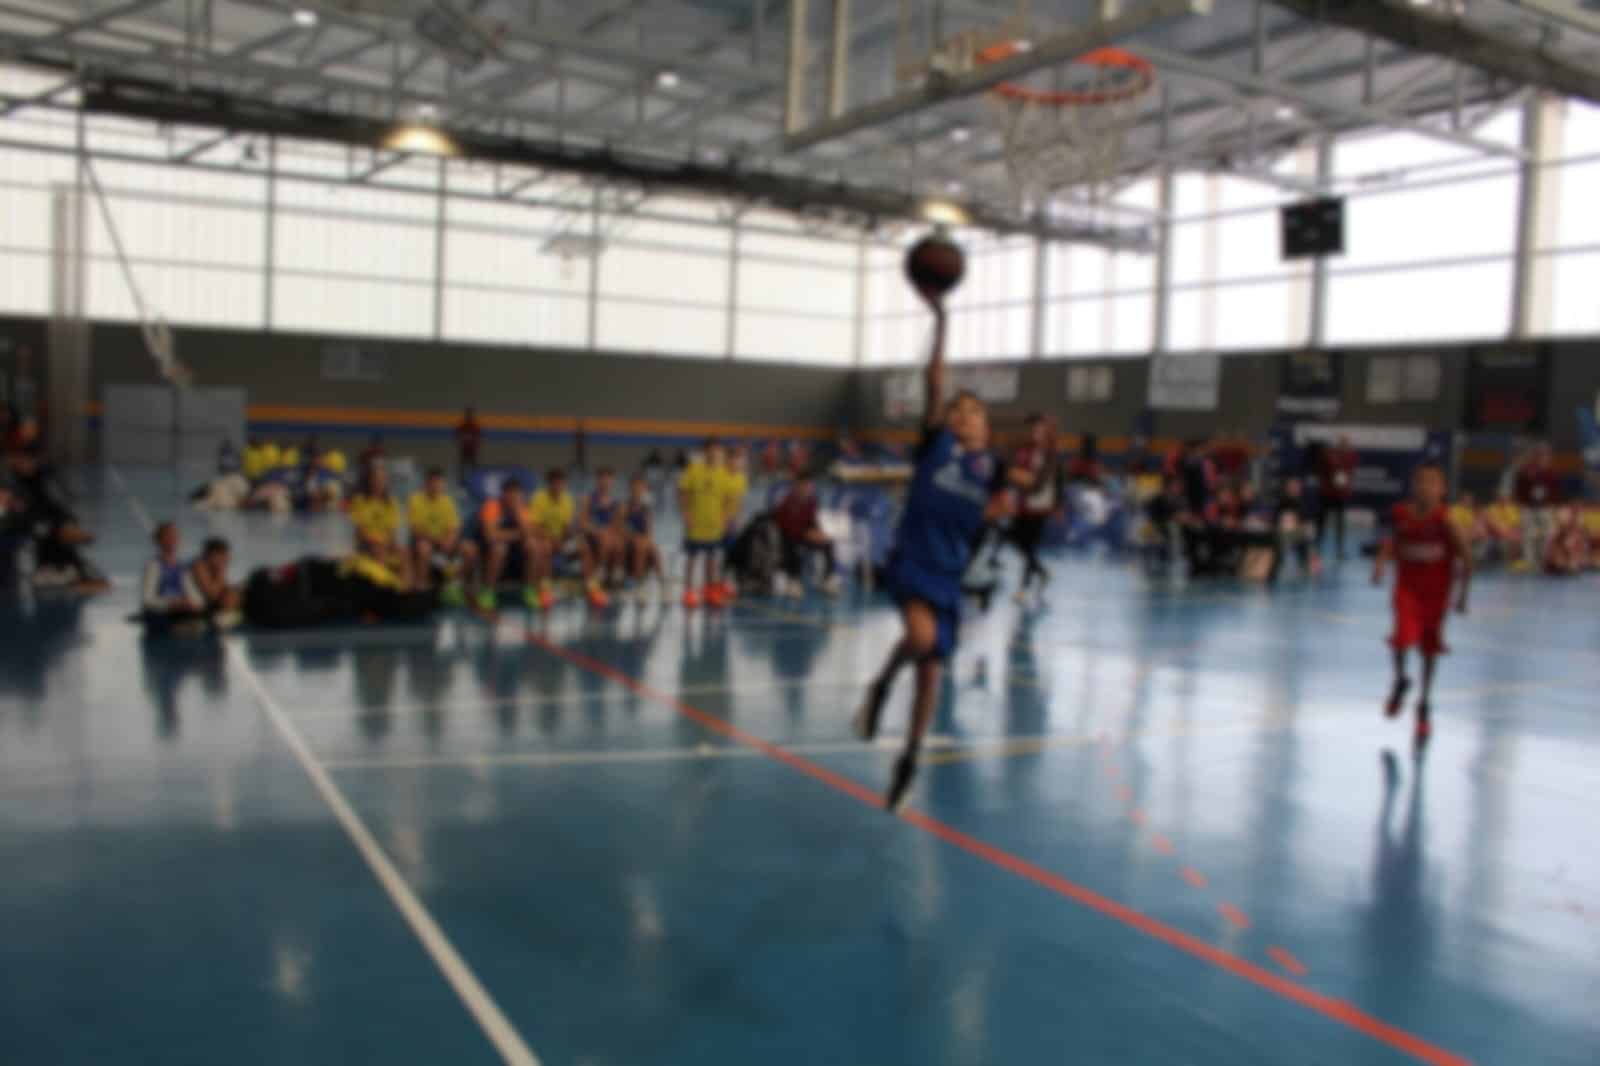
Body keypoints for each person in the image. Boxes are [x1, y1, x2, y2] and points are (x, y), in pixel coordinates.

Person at [851, 288, 1008, 812]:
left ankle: (909, 759)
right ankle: (878, 688)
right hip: (913, 562)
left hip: (950, 573)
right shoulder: (937, 446)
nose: (963, 416)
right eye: (957, 411)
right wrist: (941, 322)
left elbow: (1010, 502)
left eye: (974, 412)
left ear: (986, 426)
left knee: (930, 674)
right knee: (919, 638)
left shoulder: (991, 471)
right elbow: (934, 381)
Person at [1372, 464, 1470, 745]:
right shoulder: (1401, 514)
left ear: (1442, 490)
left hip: (1436, 594)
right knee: (1401, 638)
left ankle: (1424, 704)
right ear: (1413, 486)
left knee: (1429, 649)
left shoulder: (1446, 521)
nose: (1425, 487)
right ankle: (1400, 680)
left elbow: (1467, 559)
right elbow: (1391, 542)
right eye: (1420, 481)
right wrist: (1380, 564)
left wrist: (1463, 597)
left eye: (1432, 483)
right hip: (1407, 590)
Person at [1008, 413, 1063, 602]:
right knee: (1016, 540)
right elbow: (1013, 473)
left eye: (1039, 430)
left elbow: (1056, 479)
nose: (1034, 433)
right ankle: (1042, 572)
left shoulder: (1050, 452)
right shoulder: (1022, 450)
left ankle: (1023, 588)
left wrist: (1058, 504)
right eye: (1032, 429)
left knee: (1030, 546)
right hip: (1022, 504)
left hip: (1040, 506)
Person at [532, 468, 606, 608]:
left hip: (561, 540)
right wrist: (551, 538)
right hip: (544, 539)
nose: (559, 486)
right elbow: (535, 527)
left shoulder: (567, 499)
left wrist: (570, 536)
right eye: (555, 483)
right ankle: (545, 590)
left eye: (561, 483)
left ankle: (592, 587)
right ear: (549, 484)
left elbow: (566, 526)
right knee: (546, 547)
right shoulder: (539, 498)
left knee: (583, 546)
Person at [475, 478, 545, 612]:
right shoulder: (492, 506)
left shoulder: (522, 509)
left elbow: (530, 533)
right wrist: (518, 534)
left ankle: (529, 590)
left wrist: (518, 514)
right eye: (510, 493)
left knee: (534, 546)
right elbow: (491, 535)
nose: (513, 497)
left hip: (515, 551)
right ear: (503, 494)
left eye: (517, 494)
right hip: (490, 550)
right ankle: (488, 591)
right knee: (500, 548)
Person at [772, 474, 842, 598]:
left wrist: (819, 532)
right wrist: (806, 534)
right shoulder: (788, 502)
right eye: (805, 486)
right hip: (788, 538)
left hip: (805, 536)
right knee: (794, 547)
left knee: (828, 544)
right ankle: (794, 581)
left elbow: (813, 521)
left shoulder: (812, 501)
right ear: (797, 486)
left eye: (809, 486)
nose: (808, 489)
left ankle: (828, 580)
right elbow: (786, 527)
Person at [407, 467, 470, 604]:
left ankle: (456, 586)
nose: (436, 486)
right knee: (424, 548)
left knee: (469, 549)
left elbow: (454, 527)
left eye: (439, 483)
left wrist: (449, 541)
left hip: (445, 542)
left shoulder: (447, 501)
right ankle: (422, 587)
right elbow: (416, 530)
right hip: (425, 541)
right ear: (426, 484)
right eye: (433, 483)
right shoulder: (416, 500)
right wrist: (439, 541)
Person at [679, 439, 729, 608]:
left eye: (717, 450)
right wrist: (686, 514)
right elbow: (683, 493)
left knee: (711, 559)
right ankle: (688, 592)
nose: (713, 454)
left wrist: (724, 518)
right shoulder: (693, 470)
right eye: (710, 450)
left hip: (714, 524)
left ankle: (709, 591)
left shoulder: (723, 473)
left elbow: (726, 498)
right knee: (692, 558)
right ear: (705, 451)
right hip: (695, 523)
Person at [347, 463, 410, 589]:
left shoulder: (391, 502)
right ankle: (382, 588)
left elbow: (392, 532)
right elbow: (360, 532)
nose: (379, 482)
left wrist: (389, 542)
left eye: (382, 479)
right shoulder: (359, 501)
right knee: (378, 548)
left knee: (404, 552)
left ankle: (404, 588)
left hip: (385, 542)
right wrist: (378, 540)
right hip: (365, 543)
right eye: (376, 478)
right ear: (370, 480)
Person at [141, 522, 205, 633]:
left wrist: (191, 603)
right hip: (161, 616)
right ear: (159, 541)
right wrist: (171, 604)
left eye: (174, 536)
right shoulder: (154, 567)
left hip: (180, 614)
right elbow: (147, 600)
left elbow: (196, 598)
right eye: (168, 536)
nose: (172, 540)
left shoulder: (182, 568)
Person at [1513, 443, 1561, 570]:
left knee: (1547, 534)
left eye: (1545, 456)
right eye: (1540, 455)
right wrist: (1520, 504)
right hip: (1528, 507)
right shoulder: (1525, 471)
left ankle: (1544, 560)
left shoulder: (1552, 473)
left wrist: (1554, 507)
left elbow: (1555, 492)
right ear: (1535, 457)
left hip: (1545, 508)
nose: (1543, 458)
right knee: (1529, 534)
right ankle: (1530, 561)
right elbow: (1519, 489)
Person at [582, 467, 627, 590]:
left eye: (608, 479)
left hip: (609, 535)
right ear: (597, 480)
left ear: (612, 481)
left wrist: (610, 531)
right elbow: (583, 523)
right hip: (593, 535)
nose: (605, 482)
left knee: (618, 542)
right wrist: (596, 530)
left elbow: (618, 525)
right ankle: (600, 571)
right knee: (605, 538)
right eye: (602, 479)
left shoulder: (617, 503)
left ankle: (616, 574)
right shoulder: (588, 499)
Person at [716, 445, 750, 603]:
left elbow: (739, 501)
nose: (738, 462)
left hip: (733, 523)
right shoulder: (720, 476)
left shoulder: (741, 479)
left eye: (740, 460)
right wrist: (721, 520)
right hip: (717, 522)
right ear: (728, 460)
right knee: (716, 553)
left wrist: (739, 520)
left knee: (731, 553)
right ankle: (717, 584)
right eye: (735, 459)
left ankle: (727, 583)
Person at [622, 473, 664, 601]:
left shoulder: (646, 508)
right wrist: (634, 537)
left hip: (641, 541)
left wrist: (645, 539)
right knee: (640, 545)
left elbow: (649, 531)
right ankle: (637, 582)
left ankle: (662, 583)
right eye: (635, 487)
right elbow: (620, 529)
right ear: (631, 488)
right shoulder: (625, 506)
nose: (638, 490)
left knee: (653, 548)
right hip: (627, 540)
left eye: (640, 487)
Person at [1270, 477, 1319, 583]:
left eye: (1296, 487)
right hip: (1282, 532)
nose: (1294, 489)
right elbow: (1275, 520)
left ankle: (1307, 565)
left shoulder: (1303, 504)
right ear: (1287, 488)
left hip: (1298, 532)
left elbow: (1307, 521)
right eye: (1291, 487)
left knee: (1307, 539)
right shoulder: (1281, 503)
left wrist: (1299, 526)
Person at [1317, 434, 1358, 557]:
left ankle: (1339, 549)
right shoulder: (1329, 455)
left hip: (1340, 495)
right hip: (1327, 493)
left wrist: (1345, 486)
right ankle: (1317, 548)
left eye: (1346, 443)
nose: (1345, 445)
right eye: (1342, 442)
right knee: (1322, 521)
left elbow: (1349, 472)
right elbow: (1323, 469)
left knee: (1340, 523)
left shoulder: (1350, 456)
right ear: (1339, 444)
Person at [189, 536, 242, 628]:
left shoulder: (214, 569)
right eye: (224, 556)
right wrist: (221, 570)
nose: (226, 560)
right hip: (198, 608)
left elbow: (223, 588)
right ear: (213, 555)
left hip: (212, 607)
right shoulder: (199, 565)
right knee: (230, 595)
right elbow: (212, 594)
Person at [1544, 504, 1590, 575]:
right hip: (1555, 571)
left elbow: (1582, 557)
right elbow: (1553, 558)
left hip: (1571, 569)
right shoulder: (1554, 535)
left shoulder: (1578, 533)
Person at [1482, 488, 1522, 564]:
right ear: (1497, 497)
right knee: (1511, 538)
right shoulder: (1491, 509)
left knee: (1517, 536)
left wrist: (1511, 532)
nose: (1503, 499)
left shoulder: (1512, 508)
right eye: (1501, 497)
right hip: (1496, 535)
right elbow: (1493, 525)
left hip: (1510, 534)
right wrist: (1506, 532)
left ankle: (1513, 561)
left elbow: (1516, 524)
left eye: (1505, 496)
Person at [1448, 493, 1485, 562]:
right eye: (1468, 500)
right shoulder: (1455, 510)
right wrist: (1471, 532)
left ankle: (1474, 558)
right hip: (1459, 536)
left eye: (1470, 500)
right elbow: (1455, 526)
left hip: (1470, 536)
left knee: (1481, 530)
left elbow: (1474, 525)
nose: (1470, 502)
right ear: (1461, 500)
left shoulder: (1469, 511)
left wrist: (1476, 531)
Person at [456, 407, 482, 478]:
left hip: (472, 450)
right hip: (464, 449)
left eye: (471, 415)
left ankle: (475, 477)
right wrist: (462, 440)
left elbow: (479, 437)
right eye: (468, 415)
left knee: (474, 466)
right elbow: (457, 435)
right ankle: (462, 478)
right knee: (462, 466)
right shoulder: (462, 425)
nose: (469, 416)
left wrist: (475, 443)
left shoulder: (475, 426)